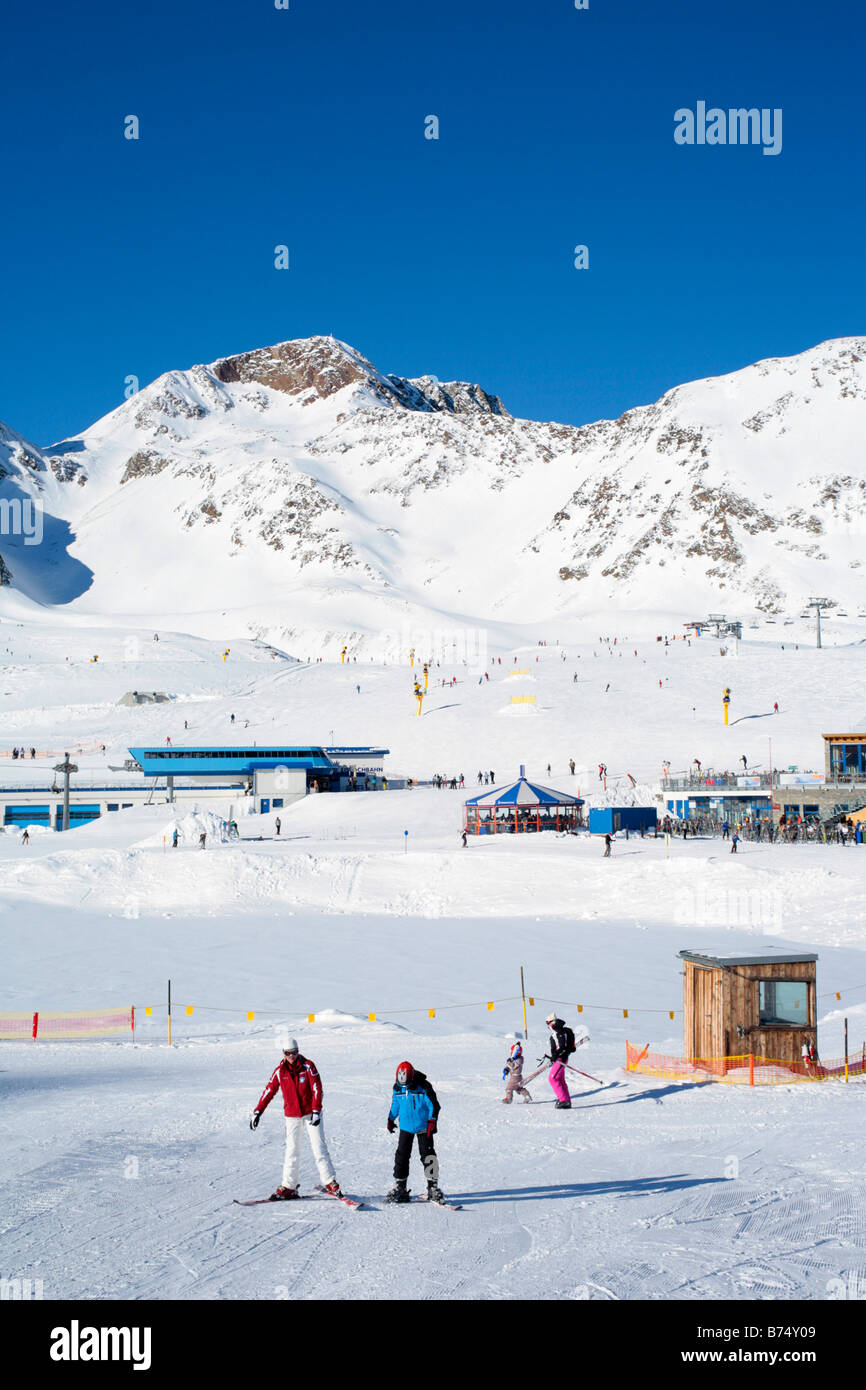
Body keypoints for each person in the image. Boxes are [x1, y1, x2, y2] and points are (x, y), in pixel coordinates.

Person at [250, 1038, 343, 1201]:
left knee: (319, 1146)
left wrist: (316, 1110)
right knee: (292, 1150)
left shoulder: (308, 1066)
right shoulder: (280, 1071)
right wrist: (258, 1111)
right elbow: (269, 1090)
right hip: (292, 1115)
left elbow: (317, 1088)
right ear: (283, 1054)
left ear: (298, 1051)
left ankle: (330, 1182)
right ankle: (288, 1186)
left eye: (294, 1053)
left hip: (310, 1113)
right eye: (288, 1053)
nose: (292, 1056)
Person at [385, 1061, 443, 1203]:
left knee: (428, 1155)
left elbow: (434, 1105)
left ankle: (433, 1187)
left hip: (424, 1126)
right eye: (401, 1085)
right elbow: (396, 1104)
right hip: (405, 1127)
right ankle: (400, 1187)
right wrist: (391, 1118)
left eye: (407, 1085)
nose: (404, 1087)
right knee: (401, 1156)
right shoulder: (397, 1088)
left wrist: (432, 1121)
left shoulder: (423, 1086)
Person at [544, 1014, 575, 1109]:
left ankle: (563, 1100)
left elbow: (562, 1047)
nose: (548, 1025)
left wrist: (555, 1056)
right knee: (560, 1080)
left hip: (561, 1058)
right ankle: (566, 1101)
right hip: (560, 1058)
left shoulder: (559, 1032)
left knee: (552, 1078)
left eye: (548, 1023)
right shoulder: (557, 1031)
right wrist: (554, 1056)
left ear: (552, 1022)